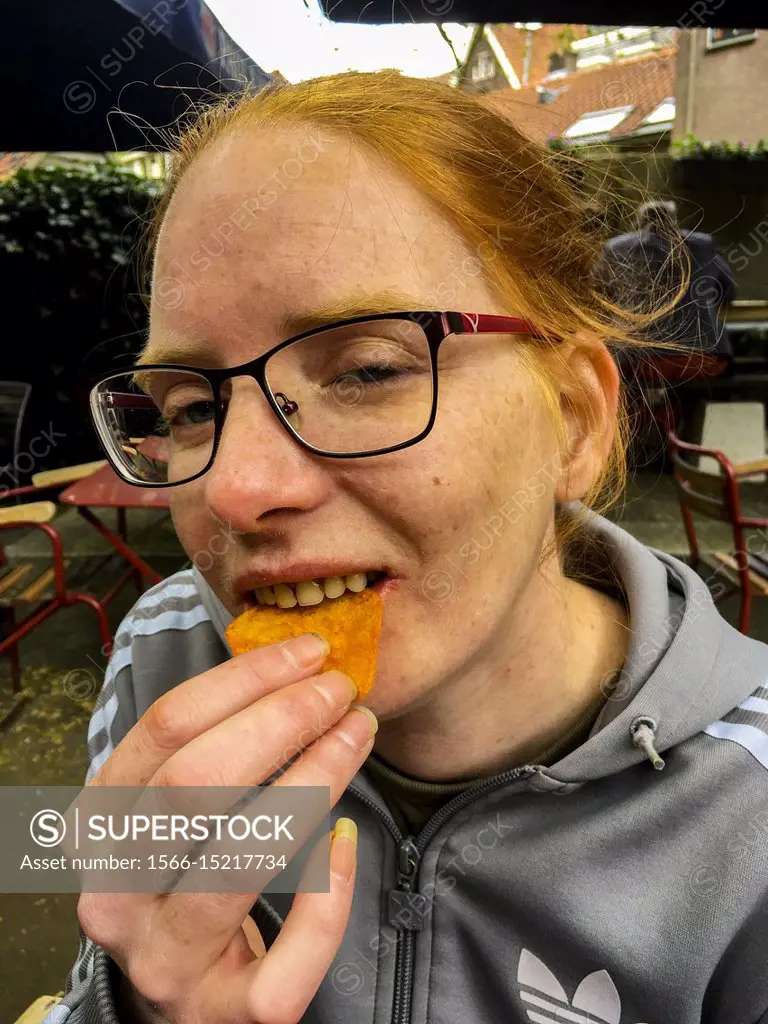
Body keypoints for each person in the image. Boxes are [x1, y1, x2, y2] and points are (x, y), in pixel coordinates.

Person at [49, 72, 768, 1024]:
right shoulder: (162, 649)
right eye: (192, 408)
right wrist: (134, 1004)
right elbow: (83, 973)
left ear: (576, 419)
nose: (236, 490)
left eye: (368, 370)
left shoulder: (749, 814)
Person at [601, 199, 738, 374]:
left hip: (637, 363)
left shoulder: (615, 249)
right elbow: (729, 292)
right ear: (674, 220)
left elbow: (598, 295)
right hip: (704, 360)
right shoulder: (702, 246)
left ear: (639, 222)